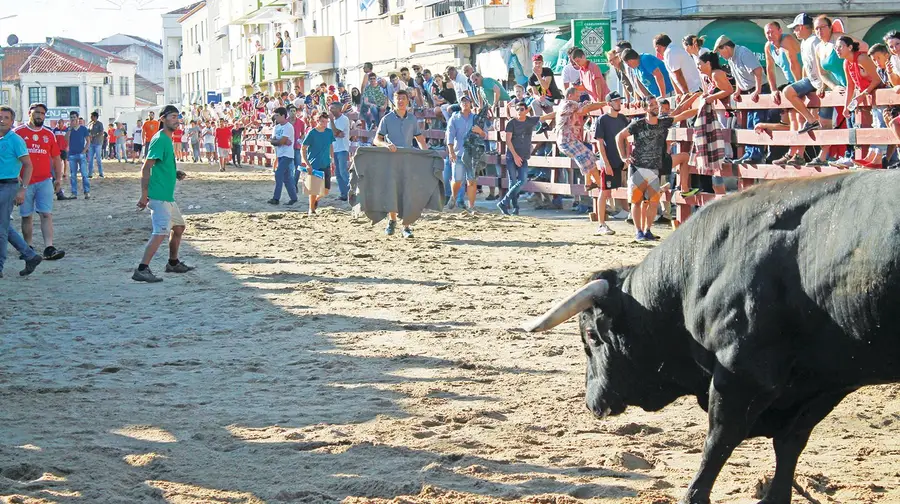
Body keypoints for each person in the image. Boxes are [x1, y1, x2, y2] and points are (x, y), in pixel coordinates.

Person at [616, 95, 699, 241]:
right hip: (638, 167)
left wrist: (702, 106)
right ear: (645, 108)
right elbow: (619, 136)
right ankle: (638, 231)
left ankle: (647, 230)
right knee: (636, 202)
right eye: (651, 104)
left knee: (653, 202)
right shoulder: (637, 124)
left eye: (655, 104)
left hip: (655, 168)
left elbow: (682, 115)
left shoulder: (663, 122)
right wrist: (623, 157)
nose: (655, 106)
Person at [133, 105, 193, 282]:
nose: (176, 120)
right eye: (172, 117)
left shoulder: (167, 138)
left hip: (167, 195)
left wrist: (174, 173)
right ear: (162, 119)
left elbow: (161, 164)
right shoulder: (160, 139)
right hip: (159, 195)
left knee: (179, 227)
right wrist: (144, 195)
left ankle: (173, 263)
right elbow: (146, 168)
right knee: (160, 232)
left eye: (177, 117)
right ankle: (142, 269)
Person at [14, 103, 66, 261]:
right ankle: (28, 247)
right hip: (25, 181)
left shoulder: (49, 134)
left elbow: (56, 158)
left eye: (43, 113)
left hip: (44, 180)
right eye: (37, 112)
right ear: (29, 113)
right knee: (26, 215)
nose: (40, 116)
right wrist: (15, 177)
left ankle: (49, 247)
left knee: (46, 214)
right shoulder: (18, 133)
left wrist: (59, 178)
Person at [374, 89, 427, 237]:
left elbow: (420, 139)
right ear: (394, 101)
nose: (401, 101)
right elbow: (376, 140)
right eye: (398, 99)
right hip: (391, 161)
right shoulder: (387, 119)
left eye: (403, 98)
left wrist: (426, 154)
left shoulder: (412, 119)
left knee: (407, 194)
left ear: (408, 101)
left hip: (408, 161)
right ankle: (392, 221)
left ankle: (406, 226)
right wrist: (386, 145)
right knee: (392, 193)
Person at [0, 106, 43, 278]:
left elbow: (28, 165)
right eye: (0, 117)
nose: (2, 120)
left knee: (1, 229)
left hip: (8, 186)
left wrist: (22, 190)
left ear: (11, 121)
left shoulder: (16, 140)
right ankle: (30, 255)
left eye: (5, 118)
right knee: (4, 226)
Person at [714, 35, 766, 163]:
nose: (720, 55)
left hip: (759, 89)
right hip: (749, 91)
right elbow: (737, 76)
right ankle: (749, 153)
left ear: (725, 47)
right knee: (749, 124)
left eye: (720, 52)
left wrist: (757, 90)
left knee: (757, 122)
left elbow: (758, 71)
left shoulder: (743, 53)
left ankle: (756, 155)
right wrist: (738, 90)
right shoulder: (732, 58)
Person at [547, 87, 606, 194]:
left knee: (590, 156)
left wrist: (585, 104)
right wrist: (605, 104)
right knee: (586, 160)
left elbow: (581, 109)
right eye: (577, 96)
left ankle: (589, 183)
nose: (578, 98)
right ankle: (599, 185)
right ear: (570, 96)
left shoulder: (564, 105)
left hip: (570, 140)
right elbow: (586, 109)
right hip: (566, 140)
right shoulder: (569, 103)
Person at [592, 91, 631, 235]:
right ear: (609, 103)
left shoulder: (622, 119)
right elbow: (600, 144)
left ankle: (631, 215)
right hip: (608, 161)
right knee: (605, 191)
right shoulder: (602, 120)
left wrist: (627, 156)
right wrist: (606, 163)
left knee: (631, 188)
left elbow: (626, 139)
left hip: (621, 159)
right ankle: (601, 224)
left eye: (619, 100)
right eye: (615, 101)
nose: (618, 103)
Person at [497, 100, 540, 216]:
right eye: (517, 109)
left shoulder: (530, 121)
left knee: (522, 180)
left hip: (524, 156)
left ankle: (504, 202)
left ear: (526, 110)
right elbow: (508, 141)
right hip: (512, 156)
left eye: (522, 109)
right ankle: (515, 207)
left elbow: (545, 117)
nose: (520, 111)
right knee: (514, 182)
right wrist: (515, 156)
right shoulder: (511, 123)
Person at [446, 96, 486, 213]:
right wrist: (451, 151)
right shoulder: (454, 118)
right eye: (463, 101)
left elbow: (485, 135)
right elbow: (450, 135)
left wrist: (480, 131)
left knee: (472, 180)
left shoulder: (476, 118)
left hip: (473, 154)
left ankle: (471, 206)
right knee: (457, 180)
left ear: (470, 104)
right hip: (458, 152)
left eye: (467, 101)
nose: (465, 103)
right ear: (459, 103)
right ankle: (453, 196)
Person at [301, 111, 335, 215]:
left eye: (326, 121)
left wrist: (332, 159)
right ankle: (311, 209)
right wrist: (307, 163)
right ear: (317, 121)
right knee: (313, 189)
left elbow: (330, 145)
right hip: (314, 164)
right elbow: (303, 148)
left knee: (326, 191)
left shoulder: (329, 132)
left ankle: (316, 200)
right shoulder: (312, 133)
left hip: (326, 163)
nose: (324, 124)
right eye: (322, 121)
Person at [329, 103, 351, 202]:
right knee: (337, 173)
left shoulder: (343, 119)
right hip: (335, 148)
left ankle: (352, 191)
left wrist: (332, 123)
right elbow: (332, 134)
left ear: (339, 109)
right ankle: (344, 194)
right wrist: (336, 132)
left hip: (343, 148)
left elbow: (336, 132)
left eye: (333, 108)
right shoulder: (333, 121)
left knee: (343, 172)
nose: (331, 110)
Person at [66, 111, 90, 199]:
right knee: (73, 175)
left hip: (81, 154)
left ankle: (87, 192)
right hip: (72, 154)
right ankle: (74, 193)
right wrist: (70, 129)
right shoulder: (69, 129)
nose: (72, 119)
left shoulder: (83, 129)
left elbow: (88, 141)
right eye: (71, 117)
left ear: (77, 118)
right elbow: (66, 139)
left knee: (84, 174)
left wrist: (84, 151)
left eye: (74, 117)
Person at [52, 119, 72, 200]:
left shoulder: (66, 130)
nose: (59, 124)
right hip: (57, 148)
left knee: (65, 161)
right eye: (58, 123)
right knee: (58, 162)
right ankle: (59, 173)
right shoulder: (55, 130)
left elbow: (68, 139)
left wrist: (67, 146)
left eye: (60, 123)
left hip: (63, 148)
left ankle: (64, 173)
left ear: (63, 123)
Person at [86, 111, 105, 178]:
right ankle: (90, 173)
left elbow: (101, 132)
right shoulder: (90, 124)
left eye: (92, 116)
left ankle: (101, 173)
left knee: (98, 159)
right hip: (91, 143)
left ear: (95, 117)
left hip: (98, 143)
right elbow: (88, 132)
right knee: (90, 159)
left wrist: (93, 135)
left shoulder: (100, 124)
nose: (91, 117)